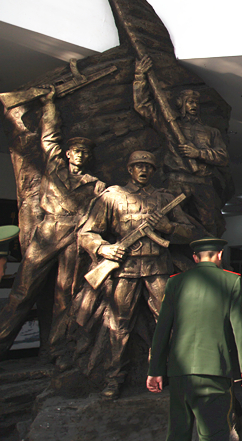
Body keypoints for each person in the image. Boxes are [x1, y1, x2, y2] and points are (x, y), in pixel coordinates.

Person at [0, 85, 106, 361]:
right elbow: (50, 136)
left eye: (84, 152)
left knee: (65, 296)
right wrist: (49, 105)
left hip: (74, 236)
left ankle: (55, 350)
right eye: (76, 151)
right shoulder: (54, 167)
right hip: (48, 230)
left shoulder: (96, 185)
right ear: (68, 154)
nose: (80, 155)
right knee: (23, 290)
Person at [79, 150, 195, 399]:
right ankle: (113, 379)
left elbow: (190, 232)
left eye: (148, 166)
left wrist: (168, 227)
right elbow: (87, 233)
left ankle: (171, 372)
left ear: (153, 171)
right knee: (118, 324)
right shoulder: (112, 196)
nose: (143, 170)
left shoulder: (165, 198)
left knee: (169, 320)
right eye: (138, 165)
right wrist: (104, 248)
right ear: (129, 169)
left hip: (158, 267)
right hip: (125, 269)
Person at [146, 237, 242, 441]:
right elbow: (239, 327)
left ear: (195, 258)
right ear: (220, 254)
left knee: (178, 433)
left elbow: (162, 330)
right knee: (214, 433)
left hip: (179, 372)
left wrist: (155, 370)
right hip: (215, 371)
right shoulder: (231, 280)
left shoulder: (174, 282)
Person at [133, 56, 230, 236]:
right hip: (177, 182)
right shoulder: (170, 126)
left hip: (203, 183)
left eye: (196, 103)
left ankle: (208, 252)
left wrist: (198, 153)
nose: (194, 106)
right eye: (190, 102)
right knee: (167, 221)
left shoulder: (211, 131)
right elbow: (143, 106)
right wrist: (140, 77)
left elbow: (223, 157)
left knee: (209, 224)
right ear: (180, 104)